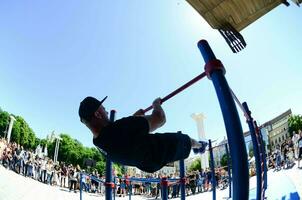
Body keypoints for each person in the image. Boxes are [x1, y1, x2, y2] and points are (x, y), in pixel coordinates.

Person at [78, 96, 206, 173]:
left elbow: (122, 138)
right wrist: (156, 104)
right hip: (157, 150)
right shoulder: (121, 128)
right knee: (187, 140)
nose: (106, 110)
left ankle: (197, 147)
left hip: (145, 164)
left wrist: (135, 118)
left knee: (184, 142)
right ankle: (200, 145)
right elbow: (160, 119)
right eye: (103, 108)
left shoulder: (99, 143)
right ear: (98, 114)